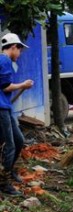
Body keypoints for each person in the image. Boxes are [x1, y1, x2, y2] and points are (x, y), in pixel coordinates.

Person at [0, 33, 34, 195]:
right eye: (19, 50)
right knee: (10, 145)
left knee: (19, 140)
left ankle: (9, 170)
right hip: (1, 109)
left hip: (5, 107)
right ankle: (4, 182)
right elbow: (5, 86)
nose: (19, 54)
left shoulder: (3, 60)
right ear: (13, 48)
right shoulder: (5, 60)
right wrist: (23, 85)